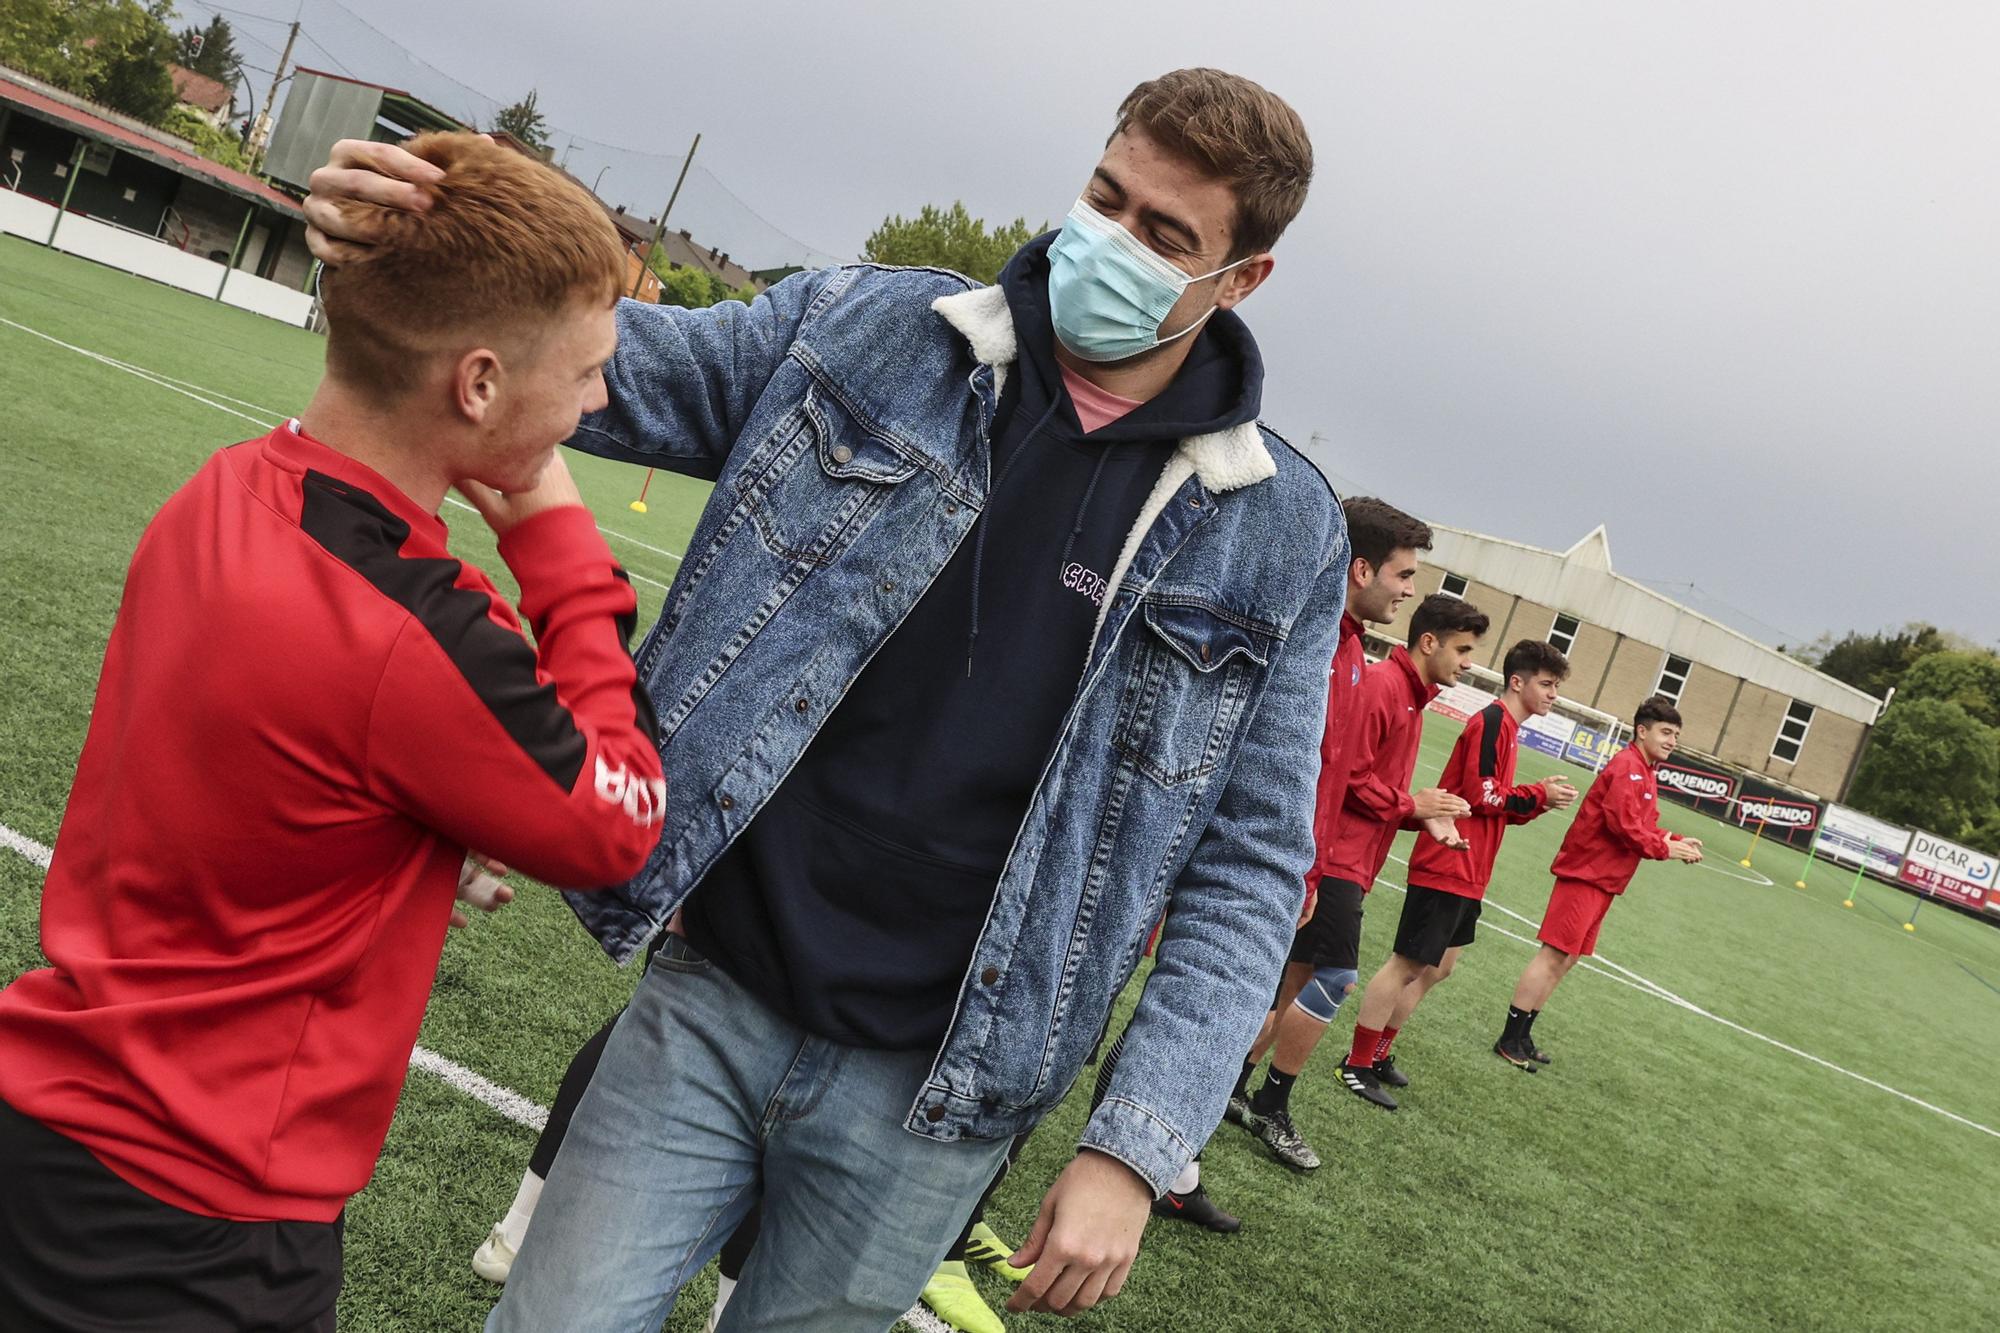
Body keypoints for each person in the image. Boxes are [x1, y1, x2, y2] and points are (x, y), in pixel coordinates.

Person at [305, 68, 1337, 1329]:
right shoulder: (871, 325)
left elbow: (1246, 871)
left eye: (1165, 237)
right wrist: (421, 245)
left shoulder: (1278, 528)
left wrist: (1136, 1141)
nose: (1110, 244)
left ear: (1242, 279)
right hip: (712, 992)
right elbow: (610, 369)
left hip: (940, 1094)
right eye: (1104, 197)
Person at [0, 132, 665, 1332]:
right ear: (477, 384)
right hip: (194, 1230)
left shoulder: (224, 484)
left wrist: (397, 851)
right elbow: (619, 812)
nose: (599, 400)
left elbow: (259, 764)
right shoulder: (420, 628)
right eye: (584, 371)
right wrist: (557, 540)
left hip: (48, 1136)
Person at [1227, 499, 1468, 1172]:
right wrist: (1409, 804)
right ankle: (1271, 1103)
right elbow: (1344, 771)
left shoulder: (1364, 659)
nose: (1408, 588)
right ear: (1363, 567)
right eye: (1403, 573)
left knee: (1292, 980)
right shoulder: (1356, 665)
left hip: (1332, 859)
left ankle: (1232, 1090)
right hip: (1328, 857)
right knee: (1331, 976)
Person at [1339, 639, 1580, 1109]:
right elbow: (1484, 796)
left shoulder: (1508, 729)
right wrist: (1537, 796)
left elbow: (1496, 803)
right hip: (1447, 861)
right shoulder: (1490, 722)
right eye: (1547, 684)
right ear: (1518, 681)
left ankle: (1380, 1054)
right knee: (1407, 963)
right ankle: (1356, 1062)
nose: (1553, 694)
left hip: (1470, 867)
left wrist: (1534, 802)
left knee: (1439, 967)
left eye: (1555, 686)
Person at [1496, 696, 1704, 1068]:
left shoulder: (1646, 771)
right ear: (1642, 731)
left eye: (1677, 735)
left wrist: (1673, 839)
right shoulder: (1628, 767)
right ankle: (1508, 1039)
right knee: (1553, 955)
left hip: (1604, 878)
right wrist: (1664, 848)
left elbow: (1644, 824)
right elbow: (1623, 826)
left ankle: (1523, 1034)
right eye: (1666, 732)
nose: (1673, 741)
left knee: (1567, 959)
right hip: (1586, 873)